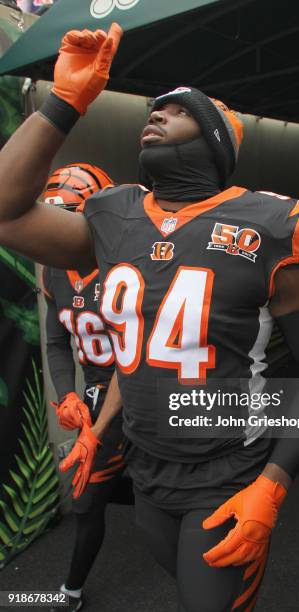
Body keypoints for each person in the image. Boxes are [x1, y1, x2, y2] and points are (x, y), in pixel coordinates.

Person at [0, 24, 299, 611]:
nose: (155, 115)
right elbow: (7, 212)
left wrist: (273, 484)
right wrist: (64, 103)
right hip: (147, 465)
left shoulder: (269, 225)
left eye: (176, 111)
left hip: (227, 468)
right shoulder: (113, 216)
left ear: (213, 139)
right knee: (184, 582)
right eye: (152, 110)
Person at [41, 162, 128, 612]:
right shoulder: (53, 270)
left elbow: (141, 356)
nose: (57, 233)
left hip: (148, 389)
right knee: (86, 498)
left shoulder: (127, 264)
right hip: (97, 394)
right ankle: (72, 590)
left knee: (168, 497)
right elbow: (57, 339)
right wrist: (67, 392)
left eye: (69, 220)